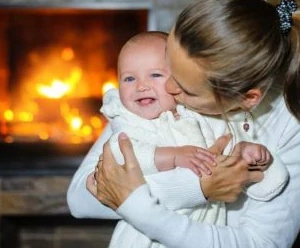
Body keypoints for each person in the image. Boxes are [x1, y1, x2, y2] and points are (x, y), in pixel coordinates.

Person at [67, 0, 300, 247]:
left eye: (185, 89)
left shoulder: (295, 120)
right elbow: (82, 197)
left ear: (248, 98)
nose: (168, 89)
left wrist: (140, 206)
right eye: (167, 68)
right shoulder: (151, 97)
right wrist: (196, 188)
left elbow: (262, 243)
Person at [85, 31, 288, 247]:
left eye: (155, 75)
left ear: (179, 80)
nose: (140, 86)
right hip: (144, 238)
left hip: (204, 229)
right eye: (129, 78)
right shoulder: (129, 120)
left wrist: (246, 154)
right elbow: (120, 153)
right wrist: (173, 157)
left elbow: (229, 164)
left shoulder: (201, 115)